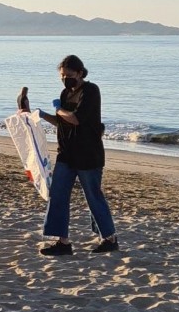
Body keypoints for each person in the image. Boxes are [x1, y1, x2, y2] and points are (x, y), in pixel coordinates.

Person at [36, 55, 118, 255]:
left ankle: (109, 238)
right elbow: (61, 121)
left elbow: (74, 119)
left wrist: (57, 109)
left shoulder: (91, 91)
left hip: (88, 154)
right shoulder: (65, 93)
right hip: (67, 153)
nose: (65, 79)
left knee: (93, 196)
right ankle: (62, 241)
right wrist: (40, 115)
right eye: (62, 76)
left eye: (69, 75)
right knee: (58, 195)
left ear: (80, 73)